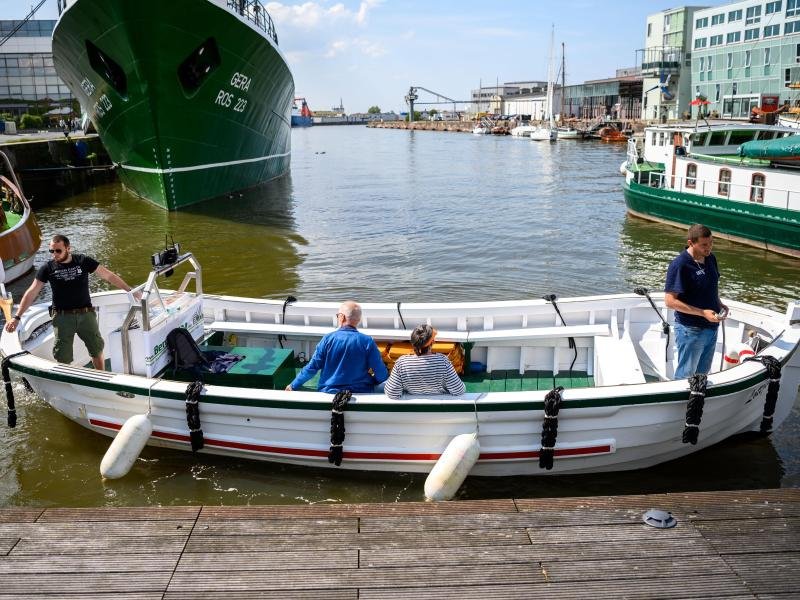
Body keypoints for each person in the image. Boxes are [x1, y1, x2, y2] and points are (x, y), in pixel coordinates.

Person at [4, 234, 137, 370]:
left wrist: (130, 290)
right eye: (52, 251)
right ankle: (66, 382)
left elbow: (108, 275)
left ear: (68, 248)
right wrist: (17, 317)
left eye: (58, 250)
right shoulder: (48, 268)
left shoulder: (83, 261)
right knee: (63, 356)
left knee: (96, 349)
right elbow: (32, 292)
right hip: (62, 318)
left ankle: (101, 376)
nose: (54, 254)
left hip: (86, 315)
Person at [664, 224, 728, 379]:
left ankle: (698, 401)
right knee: (686, 376)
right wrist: (702, 312)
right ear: (691, 243)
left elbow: (710, 284)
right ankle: (681, 402)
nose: (709, 248)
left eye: (711, 243)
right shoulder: (680, 265)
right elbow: (670, 301)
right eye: (704, 245)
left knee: (702, 375)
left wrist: (718, 303)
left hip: (712, 327)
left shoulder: (711, 258)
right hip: (691, 330)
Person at [285, 300, 388, 393]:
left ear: (342, 317)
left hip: (329, 391)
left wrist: (293, 385)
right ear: (359, 320)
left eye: (338, 315)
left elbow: (312, 368)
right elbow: (381, 374)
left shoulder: (327, 339)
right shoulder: (367, 341)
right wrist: (373, 381)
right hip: (362, 391)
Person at [384, 324, 465, 400]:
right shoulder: (443, 361)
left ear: (413, 342)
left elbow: (392, 393)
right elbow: (459, 390)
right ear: (433, 342)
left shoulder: (401, 363)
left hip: (413, 411)